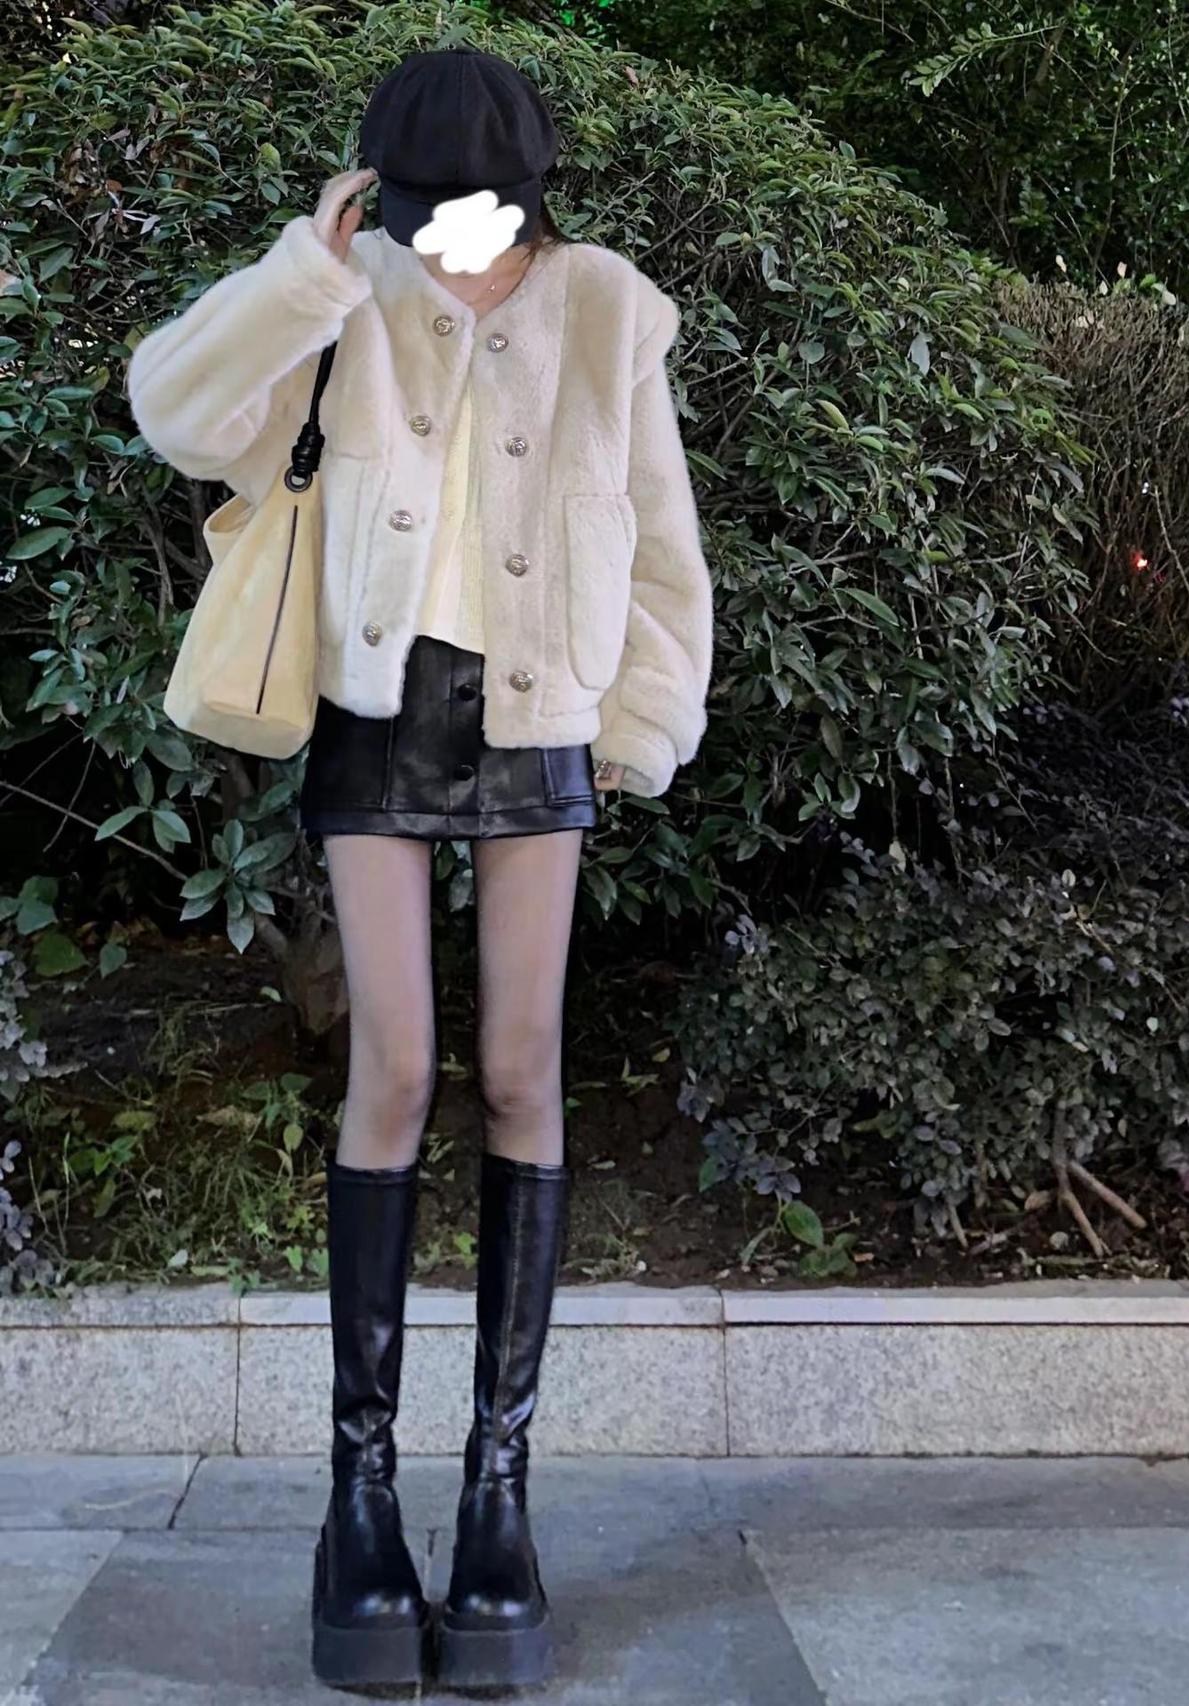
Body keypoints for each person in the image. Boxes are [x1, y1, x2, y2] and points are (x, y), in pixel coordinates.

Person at [126, 43, 714, 1697]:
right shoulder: (348, 293)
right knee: (394, 1068)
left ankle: (497, 1499)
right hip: (377, 716)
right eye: (428, 207)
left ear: (531, 197)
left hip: (539, 716)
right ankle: (361, 1503)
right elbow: (177, 413)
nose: (460, 235)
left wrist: (642, 719)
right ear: (384, 194)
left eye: (486, 208)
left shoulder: (606, 307)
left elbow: (661, 540)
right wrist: (302, 275)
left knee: (523, 1072)